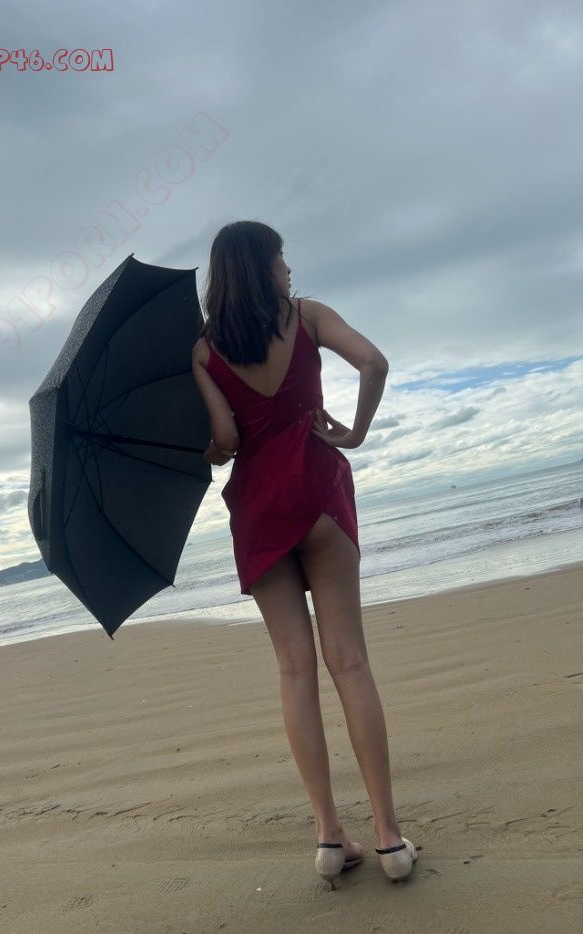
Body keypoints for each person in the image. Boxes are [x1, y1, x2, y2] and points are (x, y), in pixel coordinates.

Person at [191, 220, 417, 888]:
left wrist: (215, 446)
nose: (289, 270)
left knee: (294, 671)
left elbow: (226, 441)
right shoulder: (309, 317)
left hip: (258, 510)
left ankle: (328, 837)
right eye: (281, 258)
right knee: (350, 662)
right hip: (318, 488)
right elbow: (374, 363)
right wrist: (356, 432)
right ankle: (390, 839)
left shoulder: (203, 353)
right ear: (262, 266)